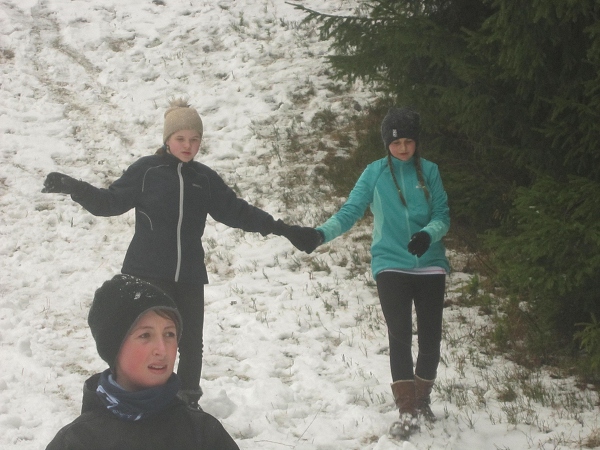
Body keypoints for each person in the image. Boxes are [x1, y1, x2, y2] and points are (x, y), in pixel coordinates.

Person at [41, 97, 320, 409]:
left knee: (190, 342)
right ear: (167, 139)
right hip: (146, 272)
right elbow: (110, 203)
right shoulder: (147, 171)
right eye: (181, 139)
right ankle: (135, 394)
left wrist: (285, 229)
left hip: (188, 274)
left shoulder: (204, 179)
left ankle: (187, 402)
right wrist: (76, 188)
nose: (188, 146)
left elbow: (238, 212)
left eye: (194, 139)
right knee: (143, 338)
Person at [308, 107, 450, 437]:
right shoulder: (374, 173)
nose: (403, 148)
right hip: (390, 264)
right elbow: (350, 212)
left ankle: (422, 399)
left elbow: (442, 215)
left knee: (430, 340)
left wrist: (428, 234)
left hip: (430, 264)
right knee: (399, 335)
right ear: (387, 143)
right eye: (396, 143)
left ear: (417, 142)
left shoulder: (429, 171)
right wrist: (320, 234)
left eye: (409, 142)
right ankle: (407, 410)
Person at [46, 274, 240, 449]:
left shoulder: (203, 434)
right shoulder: (78, 441)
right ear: (114, 348)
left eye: (169, 334)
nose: (162, 350)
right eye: (145, 335)